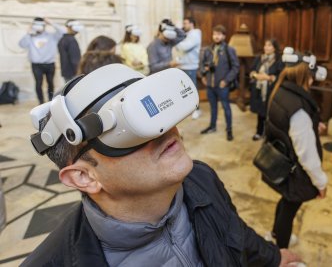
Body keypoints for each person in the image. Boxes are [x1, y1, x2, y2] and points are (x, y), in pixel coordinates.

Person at [22, 64, 301, 266]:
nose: (167, 131)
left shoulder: (201, 178)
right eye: (132, 129)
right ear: (84, 177)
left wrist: (274, 257)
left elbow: (234, 231)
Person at [264, 49, 328, 249]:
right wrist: (320, 181)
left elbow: (286, 125)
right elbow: (306, 154)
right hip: (295, 171)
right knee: (290, 209)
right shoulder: (298, 109)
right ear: (304, 75)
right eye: (310, 77)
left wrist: (311, 125)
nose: (312, 81)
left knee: (286, 201)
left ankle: (275, 234)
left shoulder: (281, 91)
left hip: (283, 163)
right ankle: (282, 252)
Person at [200, 25, 239, 141]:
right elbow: (202, 64)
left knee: (226, 107)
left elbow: (235, 67)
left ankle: (229, 129)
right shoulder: (208, 50)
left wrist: (226, 80)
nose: (216, 36)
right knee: (213, 107)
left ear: (224, 36)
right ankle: (212, 126)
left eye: (219, 34)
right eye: (214, 34)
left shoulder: (229, 50)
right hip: (210, 85)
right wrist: (203, 75)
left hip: (222, 85)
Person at [18, 17, 65, 104]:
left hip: (50, 64)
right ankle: (41, 102)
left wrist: (51, 23)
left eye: (40, 25)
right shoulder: (30, 37)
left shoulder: (51, 36)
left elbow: (63, 32)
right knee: (38, 83)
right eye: (36, 25)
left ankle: (51, 101)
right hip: (36, 65)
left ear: (44, 26)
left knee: (50, 83)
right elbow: (22, 44)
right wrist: (28, 32)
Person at [249, 38, 284, 141]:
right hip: (259, 90)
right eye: (265, 45)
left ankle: (270, 135)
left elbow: (281, 76)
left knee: (271, 114)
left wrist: (268, 78)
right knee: (260, 112)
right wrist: (256, 75)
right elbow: (251, 71)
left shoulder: (279, 60)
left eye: (269, 45)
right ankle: (259, 132)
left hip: (272, 91)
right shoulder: (259, 58)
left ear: (274, 48)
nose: (266, 47)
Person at [175, 17, 202, 119]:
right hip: (184, 65)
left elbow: (184, 47)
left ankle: (197, 109)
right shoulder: (188, 34)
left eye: (185, 23)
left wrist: (175, 41)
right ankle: (189, 108)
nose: (184, 25)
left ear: (191, 24)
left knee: (192, 89)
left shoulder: (195, 34)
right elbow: (180, 49)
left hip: (191, 66)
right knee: (184, 89)